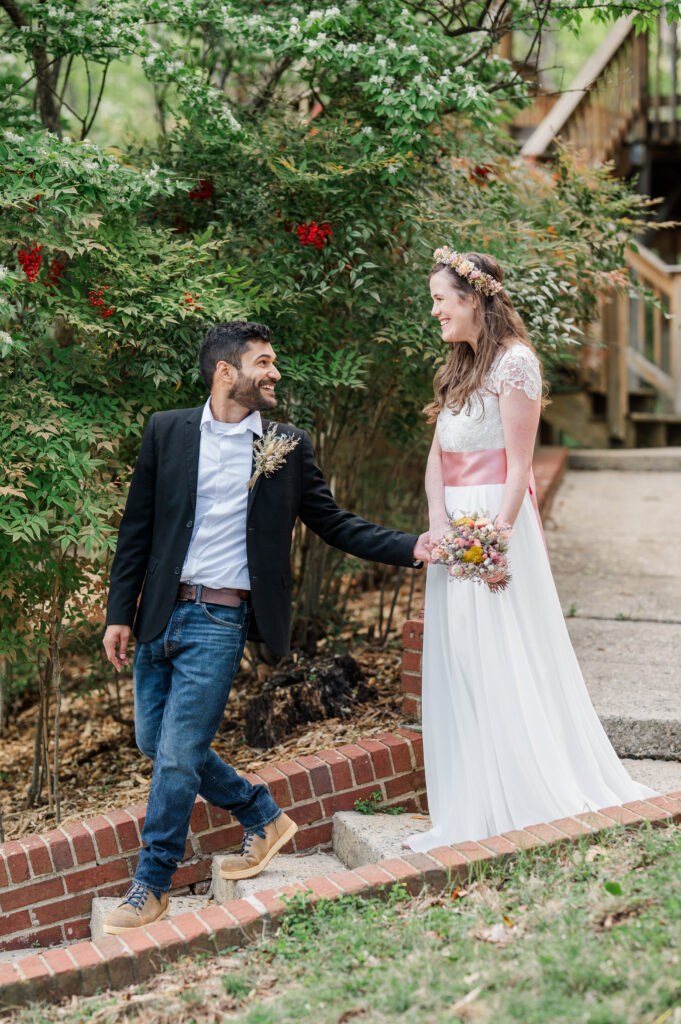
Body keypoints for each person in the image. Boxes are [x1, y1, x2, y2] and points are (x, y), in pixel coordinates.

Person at [102, 320, 430, 932]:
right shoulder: (167, 431)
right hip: (156, 615)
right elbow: (136, 530)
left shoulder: (286, 443)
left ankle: (151, 885)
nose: (275, 372)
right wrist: (119, 612)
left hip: (220, 618)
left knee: (176, 756)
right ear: (227, 372)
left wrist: (415, 545)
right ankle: (262, 814)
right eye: (265, 362)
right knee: (158, 745)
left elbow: (334, 522)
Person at [406, 248, 656, 853]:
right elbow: (438, 456)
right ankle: (476, 794)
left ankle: (520, 790)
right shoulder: (457, 368)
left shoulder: (515, 365)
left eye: (442, 299)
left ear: (473, 300)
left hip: (495, 522)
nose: (435, 309)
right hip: (455, 529)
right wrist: (439, 526)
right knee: (464, 659)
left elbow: (521, 466)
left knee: (501, 654)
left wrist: (493, 538)